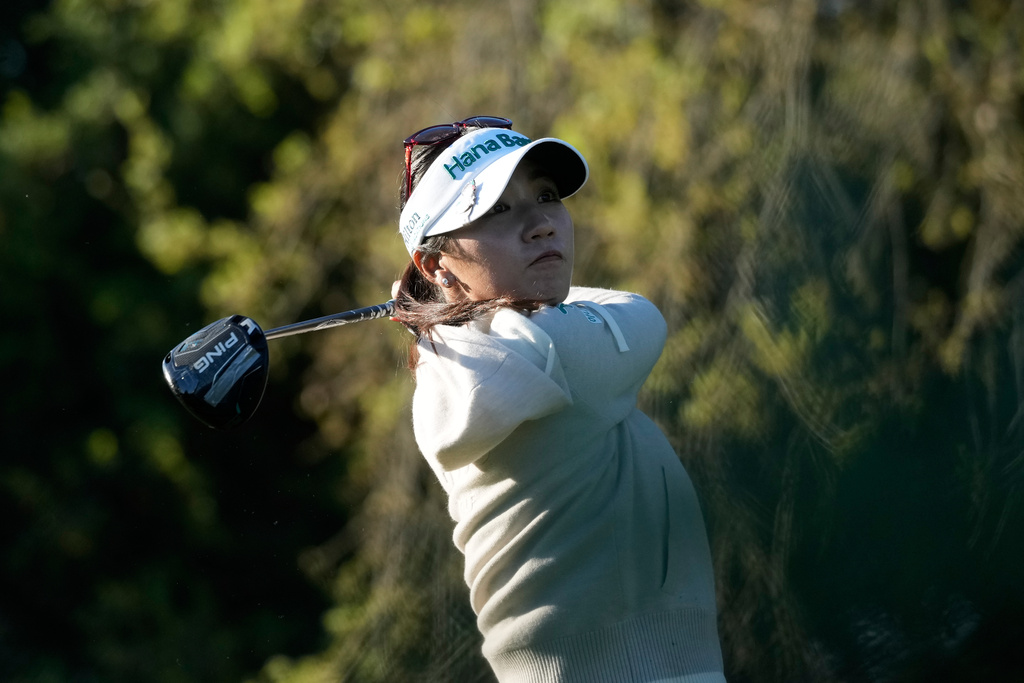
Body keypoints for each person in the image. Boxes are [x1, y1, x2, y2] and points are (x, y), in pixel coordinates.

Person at [391, 116, 726, 683]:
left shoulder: (460, 358)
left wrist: (441, 307)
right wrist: (450, 311)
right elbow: (641, 313)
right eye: (495, 209)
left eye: (545, 196)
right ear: (435, 262)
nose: (542, 224)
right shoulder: (549, 350)